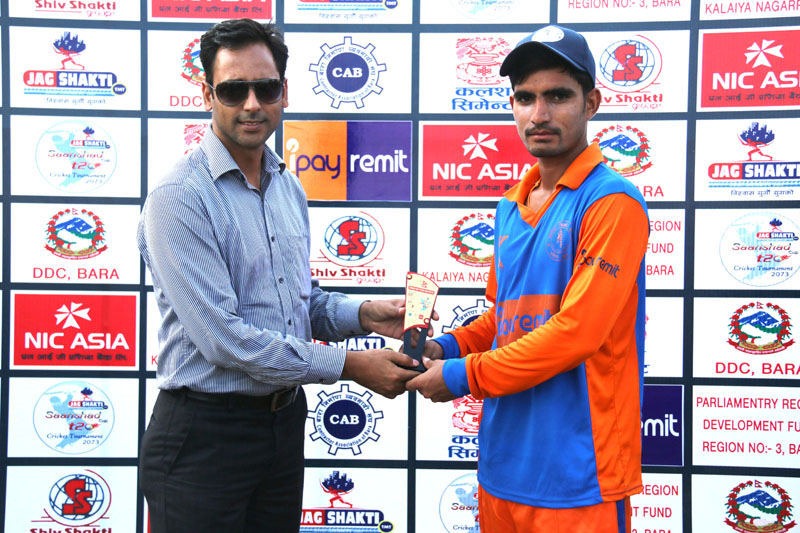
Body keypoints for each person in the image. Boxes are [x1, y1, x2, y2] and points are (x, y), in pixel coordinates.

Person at [137, 18, 421, 533]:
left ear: (283, 92)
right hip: (204, 436)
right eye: (232, 89)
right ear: (208, 94)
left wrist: (364, 315)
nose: (251, 103)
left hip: (283, 424)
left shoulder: (288, 188)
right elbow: (223, 340)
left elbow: (297, 303)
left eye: (264, 88)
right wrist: (351, 366)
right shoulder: (179, 197)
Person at [407, 25, 649, 533]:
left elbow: (577, 332)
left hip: (579, 476)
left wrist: (461, 375)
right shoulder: (509, 205)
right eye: (525, 97)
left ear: (592, 102)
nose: (539, 114)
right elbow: (503, 318)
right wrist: (443, 350)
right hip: (502, 470)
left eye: (558, 96)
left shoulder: (613, 202)